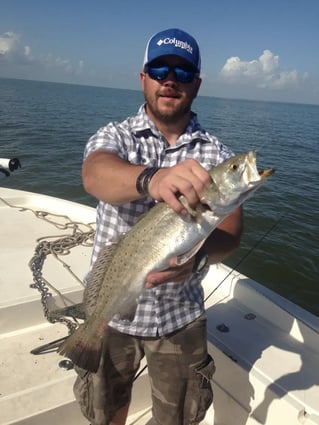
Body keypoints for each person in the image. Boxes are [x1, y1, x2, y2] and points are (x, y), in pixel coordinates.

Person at [76, 28, 243, 425]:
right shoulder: (115, 136)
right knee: (106, 412)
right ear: (143, 78)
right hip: (111, 311)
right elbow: (95, 174)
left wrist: (199, 256)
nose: (170, 79)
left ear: (196, 84)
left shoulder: (217, 155)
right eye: (160, 69)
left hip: (179, 315)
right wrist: (150, 179)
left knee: (177, 418)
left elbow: (231, 235)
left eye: (183, 72)